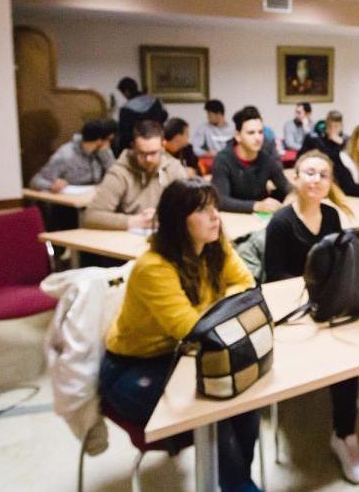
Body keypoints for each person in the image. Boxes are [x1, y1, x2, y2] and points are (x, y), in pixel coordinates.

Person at [100, 178, 261, 492]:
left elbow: (247, 285)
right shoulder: (153, 266)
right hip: (134, 368)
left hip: (188, 354)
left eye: (215, 206)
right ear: (177, 221)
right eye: (203, 210)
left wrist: (215, 307)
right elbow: (190, 329)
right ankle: (239, 486)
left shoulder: (215, 246)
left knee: (244, 397)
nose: (216, 216)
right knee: (216, 406)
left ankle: (240, 481)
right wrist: (224, 304)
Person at [261, 151, 359, 483]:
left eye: (323, 175)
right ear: (295, 176)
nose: (316, 180)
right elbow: (275, 279)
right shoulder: (281, 222)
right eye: (309, 172)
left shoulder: (332, 216)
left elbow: (339, 267)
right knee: (343, 350)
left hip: (327, 304)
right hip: (295, 312)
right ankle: (349, 431)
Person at [84, 120, 188, 230]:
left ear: (163, 145)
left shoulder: (174, 169)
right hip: (125, 240)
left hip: (164, 236)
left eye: (153, 153)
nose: (148, 159)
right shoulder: (119, 172)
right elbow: (91, 216)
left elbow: (189, 210)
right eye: (142, 153)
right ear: (133, 147)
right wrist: (134, 221)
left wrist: (161, 217)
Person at [210, 106, 291, 213]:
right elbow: (221, 200)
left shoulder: (266, 159)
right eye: (251, 133)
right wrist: (257, 206)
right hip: (232, 217)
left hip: (260, 219)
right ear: (238, 136)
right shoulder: (223, 159)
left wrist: (292, 196)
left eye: (260, 132)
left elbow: (286, 186)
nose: (258, 138)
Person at [28, 118, 115, 192]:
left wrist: (106, 157)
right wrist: (51, 185)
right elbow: (35, 181)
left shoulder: (104, 152)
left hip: (95, 197)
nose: (110, 144)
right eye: (109, 140)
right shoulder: (65, 155)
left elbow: (115, 175)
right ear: (99, 141)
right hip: (71, 204)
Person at [114, 77, 168, 157]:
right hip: (156, 143)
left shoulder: (126, 109)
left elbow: (124, 134)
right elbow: (164, 117)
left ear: (126, 92)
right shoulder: (156, 102)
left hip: (137, 148)